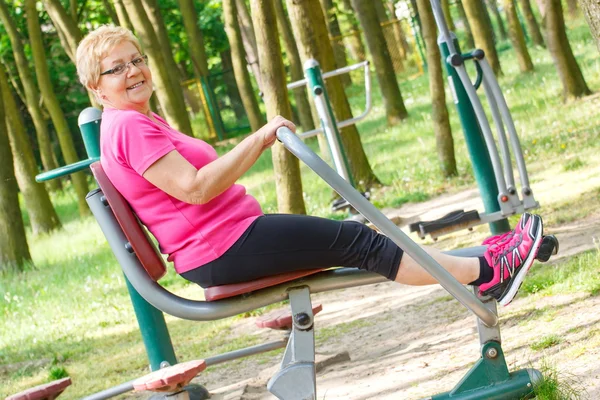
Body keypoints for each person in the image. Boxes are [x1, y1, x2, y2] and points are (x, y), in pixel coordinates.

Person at [76, 26, 546, 307]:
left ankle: (483, 259)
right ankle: (489, 271)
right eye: (116, 69)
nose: (133, 71)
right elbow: (195, 189)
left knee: (359, 239)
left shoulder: (135, 121)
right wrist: (260, 138)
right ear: (97, 88)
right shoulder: (128, 128)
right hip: (221, 248)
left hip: (229, 239)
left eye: (136, 60)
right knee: (362, 241)